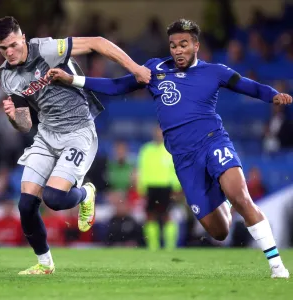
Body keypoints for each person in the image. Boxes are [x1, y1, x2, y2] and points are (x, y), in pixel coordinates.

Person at [46, 19, 292, 278]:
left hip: (213, 141)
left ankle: (277, 266)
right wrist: (72, 79)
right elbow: (118, 86)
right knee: (219, 231)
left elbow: (247, 85)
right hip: (185, 160)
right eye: (173, 45)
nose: (177, 50)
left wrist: (272, 94)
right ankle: (222, 198)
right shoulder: (155, 69)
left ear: (195, 45)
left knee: (240, 196)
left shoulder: (215, 71)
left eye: (183, 44)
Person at [0, 16, 150, 275]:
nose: (9, 52)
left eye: (13, 44)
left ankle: (86, 193)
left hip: (78, 132)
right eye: (3, 48)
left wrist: (135, 68)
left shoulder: (45, 49)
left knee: (54, 199)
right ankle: (45, 265)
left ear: (22, 37)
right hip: (46, 135)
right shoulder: (7, 75)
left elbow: (97, 43)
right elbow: (24, 125)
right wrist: (13, 117)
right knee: (26, 205)